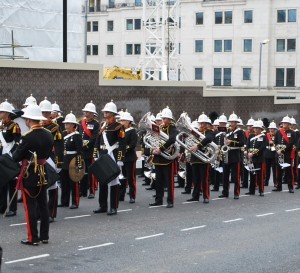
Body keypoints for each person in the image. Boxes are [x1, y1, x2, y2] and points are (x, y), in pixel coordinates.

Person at [13, 104, 54, 245]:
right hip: (43, 172)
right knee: (43, 205)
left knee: (29, 206)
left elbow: (16, 157)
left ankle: (33, 238)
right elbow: (48, 154)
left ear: (29, 120)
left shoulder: (27, 137)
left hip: (30, 175)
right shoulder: (48, 134)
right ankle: (44, 236)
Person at [93, 100, 126, 215]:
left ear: (112, 113)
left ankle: (113, 207)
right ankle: (102, 206)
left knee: (113, 182)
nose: (105, 113)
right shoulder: (103, 125)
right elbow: (97, 140)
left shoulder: (118, 126)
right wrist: (95, 154)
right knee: (102, 181)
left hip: (112, 155)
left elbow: (122, 144)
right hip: (103, 154)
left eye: (107, 112)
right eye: (105, 111)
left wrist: (120, 159)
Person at [40, 97, 63, 223]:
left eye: (46, 113)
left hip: (50, 158)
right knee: (39, 185)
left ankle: (51, 213)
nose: (44, 115)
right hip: (37, 159)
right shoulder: (34, 125)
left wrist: (59, 162)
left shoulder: (54, 127)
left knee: (52, 185)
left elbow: (59, 145)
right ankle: (40, 211)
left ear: (50, 114)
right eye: (42, 112)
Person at [149, 106, 177, 208]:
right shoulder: (159, 128)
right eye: (163, 118)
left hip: (167, 158)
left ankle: (170, 201)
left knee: (169, 181)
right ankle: (158, 199)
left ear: (170, 119)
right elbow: (153, 139)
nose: (163, 120)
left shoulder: (172, 128)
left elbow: (172, 140)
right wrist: (154, 149)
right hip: (158, 158)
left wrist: (160, 148)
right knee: (158, 180)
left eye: (165, 118)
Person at [0, 100, 21, 217]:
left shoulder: (14, 125)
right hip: (2, 155)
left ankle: (13, 209)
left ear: (8, 113)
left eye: (2, 111)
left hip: (10, 155)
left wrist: (14, 156)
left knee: (12, 184)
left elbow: (18, 142)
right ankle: (2, 206)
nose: (0, 113)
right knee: (2, 182)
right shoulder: (0, 124)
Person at [188, 113, 214, 203]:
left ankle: (206, 196)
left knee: (204, 178)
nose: (202, 125)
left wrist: (198, 146)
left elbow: (208, 139)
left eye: (204, 123)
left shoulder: (209, 132)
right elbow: (189, 142)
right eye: (201, 123)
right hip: (195, 158)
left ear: (207, 124)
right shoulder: (195, 132)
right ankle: (195, 196)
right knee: (196, 179)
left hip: (204, 158)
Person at [59, 112, 83, 209]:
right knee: (64, 183)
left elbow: (79, 151)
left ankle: (75, 201)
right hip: (65, 161)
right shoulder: (64, 134)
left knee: (74, 183)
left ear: (73, 125)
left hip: (73, 161)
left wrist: (78, 164)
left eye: (68, 123)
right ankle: (64, 201)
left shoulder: (77, 136)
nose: (66, 125)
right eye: (65, 123)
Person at [219, 112, 244, 199]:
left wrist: (231, 142)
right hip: (226, 155)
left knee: (236, 176)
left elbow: (242, 143)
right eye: (231, 122)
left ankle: (236, 193)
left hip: (235, 155)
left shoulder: (240, 132)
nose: (232, 123)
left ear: (236, 123)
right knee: (225, 175)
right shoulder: (227, 131)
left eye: (233, 122)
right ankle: (225, 192)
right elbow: (223, 142)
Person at [79, 101, 100, 199]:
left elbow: (94, 138)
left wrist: (85, 145)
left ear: (92, 113)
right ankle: (82, 190)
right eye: (85, 111)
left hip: (90, 150)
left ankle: (91, 191)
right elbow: (79, 134)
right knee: (82, 171)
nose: (85, 113)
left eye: (87, 112)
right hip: (81, 151)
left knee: (90, 172)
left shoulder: (95, 124)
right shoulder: (81, 122)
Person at [118, 111, 138, 203]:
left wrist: (123, 149)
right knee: (122, 177)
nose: (121, 122)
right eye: (121, 120)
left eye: (123, 121)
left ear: (129, 122)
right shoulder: (120, 131)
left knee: (131, 177)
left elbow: (132, 145)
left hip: (129, 157)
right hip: (122, 157)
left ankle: (132, 196)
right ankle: (121, 195)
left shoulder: (132, 131)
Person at [273, 115, 296, 193]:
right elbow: (275, 142)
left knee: (289, 171)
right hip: (279, 154)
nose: (284, 124)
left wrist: (283, 149)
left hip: (287, 154)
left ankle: (291, 187)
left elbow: (292, 143)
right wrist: (277, 150)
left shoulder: (292, 132)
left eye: (286, 123)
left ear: (289, 124)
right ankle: (279, 186)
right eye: (283, 123)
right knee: (278, 171)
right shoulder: (279, 132)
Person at [245, 120, 267, 196]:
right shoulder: (251, 136)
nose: (256, 129)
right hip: (251, 159)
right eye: (255, 128)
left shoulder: (263, 137)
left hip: (259, 158)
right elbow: (248, 145)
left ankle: (261, 190)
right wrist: (247, 152)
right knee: (252, 174)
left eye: (258, 128)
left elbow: (263, 147)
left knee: (260, 175)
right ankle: (251, 190)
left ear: (261, 129)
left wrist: (253, 153)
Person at [264, 121, 277, 187]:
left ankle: (275, 182)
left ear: (275, 129)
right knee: (267, 169)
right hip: (267, 154)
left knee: (274, 170)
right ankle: (266, 182)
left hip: (274, 154)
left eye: (273, 129)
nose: (271, 130)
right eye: (270, 128)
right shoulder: (266, 135)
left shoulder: (277, 136)